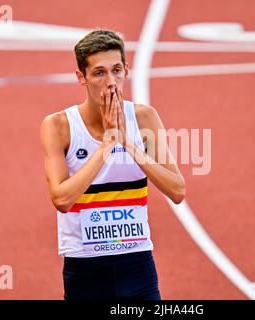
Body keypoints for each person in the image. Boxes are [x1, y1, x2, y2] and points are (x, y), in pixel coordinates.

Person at [40, 29, 186, 300]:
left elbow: (177, 190)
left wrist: (128, 143)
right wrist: (107, 146)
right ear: (81, 78)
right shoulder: (59, 126)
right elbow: (61, 199)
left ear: (127, 71)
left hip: (138, 263)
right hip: (85, 268)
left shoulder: (144, 118)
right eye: (99, 73)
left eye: (117, 70)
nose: (111, 82)